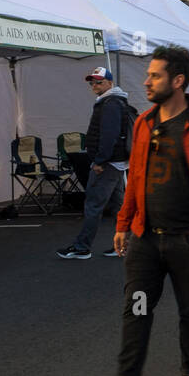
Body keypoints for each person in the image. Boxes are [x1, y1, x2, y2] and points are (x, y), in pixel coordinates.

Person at [83, 45, 189, 376]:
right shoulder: (144, 123)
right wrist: (123, 224)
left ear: (178, 80)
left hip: (188, 240)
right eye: (148, 75)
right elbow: (136, 176)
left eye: (154, 76)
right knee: (136, 311)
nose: (147, 81)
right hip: (146, 239)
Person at [58, 67, 134, 260]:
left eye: (99, 82)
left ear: (109, 83)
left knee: (93, 204)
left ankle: (82, 247)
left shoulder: (110, 104)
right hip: (117, 162)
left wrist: (100, 160)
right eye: (92, 82)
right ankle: (126, 245)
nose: (94, 85)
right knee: (119, 205)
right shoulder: (115, 102)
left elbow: (109, 135)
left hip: (108, 163)